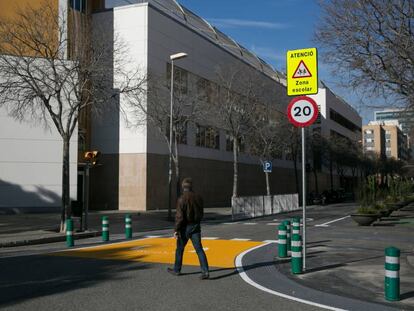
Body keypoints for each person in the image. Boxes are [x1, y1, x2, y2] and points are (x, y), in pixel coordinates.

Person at [167, 177, 210, 279]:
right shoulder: (198, 197)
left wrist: (176, 230)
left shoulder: (181, 199)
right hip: (196, 226)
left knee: (180, 249)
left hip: (185, 227)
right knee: (199, 249)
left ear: (183, 187)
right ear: (191, 187)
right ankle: (205, 271)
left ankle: (177, 270)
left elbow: (179, 216)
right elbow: (201, 213)